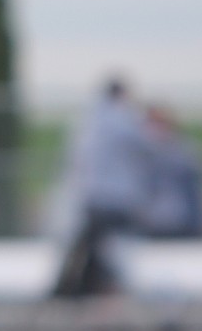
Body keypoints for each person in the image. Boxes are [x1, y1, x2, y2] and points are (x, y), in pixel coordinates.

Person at [52, 76, 156, 297]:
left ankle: (75, 288)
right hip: (116, 197)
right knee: (106, 247)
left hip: (92, 195)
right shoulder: (122, 119)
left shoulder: (87, 122)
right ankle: (88, 288)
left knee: (92, 244)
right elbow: (147, 146)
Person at [142, 104, 202, 238]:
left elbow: (196, 192)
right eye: (152, 122)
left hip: (179, 221)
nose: (157, 128)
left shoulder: (185, 153)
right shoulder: (136, 155)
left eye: (161, 123)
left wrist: (201, 224)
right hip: (146, 224)